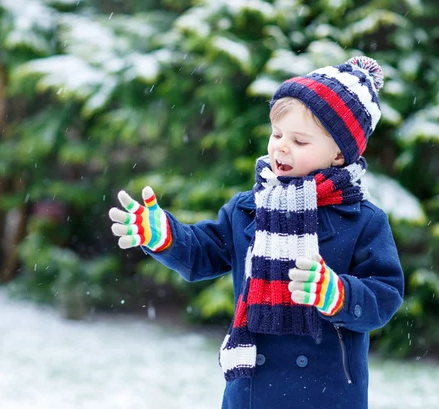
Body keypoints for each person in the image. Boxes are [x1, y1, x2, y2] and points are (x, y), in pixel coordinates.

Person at [109, 56, 404, 409]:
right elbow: (203, 253)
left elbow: (384, 295)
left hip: (327, 393)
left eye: (299, 140)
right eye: (277, 134)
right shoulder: (249, 207)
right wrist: (165, 236)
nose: (281, 146)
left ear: (339, 154)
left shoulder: (363, 220)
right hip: (252, 391)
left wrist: (338, 293)